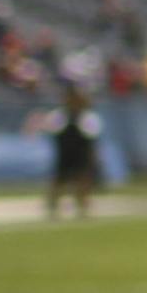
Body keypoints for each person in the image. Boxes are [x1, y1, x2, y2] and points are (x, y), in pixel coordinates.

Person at [43, 84, 102, 217]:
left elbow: (91, 138)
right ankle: (53, 206)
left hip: (81, 154)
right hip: (65, 154)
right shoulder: (59, 116)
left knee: (83, 180)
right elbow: (53, 132)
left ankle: (83, 207)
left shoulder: (87, 117)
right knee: (59, 180)